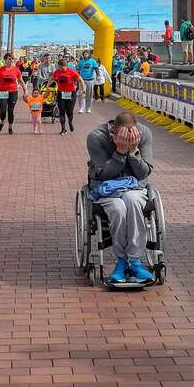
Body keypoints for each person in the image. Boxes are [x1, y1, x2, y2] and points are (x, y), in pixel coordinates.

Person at [86, 111, 155, 284]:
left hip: (134, 187)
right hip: (107, 188)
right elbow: (103, 175)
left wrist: (132, 152)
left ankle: (134, 261)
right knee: (118, 208)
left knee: (132, 201)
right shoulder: (96, 137)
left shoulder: (143, 134)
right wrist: (119, 152)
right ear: (113, 132)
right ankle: (122, 261)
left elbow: (143, 173)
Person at [0, 53, 28, 135]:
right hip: (3, 92)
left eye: (12, 59)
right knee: (3, 110)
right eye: (9, 59)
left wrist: (26, 90)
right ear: (5, 60)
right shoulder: (0, 70)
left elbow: (21, 81)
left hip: (13, 92)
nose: (11, 61)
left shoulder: (16, 70)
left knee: (11, 111)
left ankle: (10, 127)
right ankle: (2, 122)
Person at [52, 57, 86, 135]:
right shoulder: (56, 72)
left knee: (69, 111)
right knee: (62, 111)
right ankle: (63, 129)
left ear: (67, 65)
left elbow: (81, 80)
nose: (64, 69)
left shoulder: (72, 71)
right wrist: (47, 86)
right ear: (59, 66)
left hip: (71, 93)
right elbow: (52, 78)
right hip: (61, 93)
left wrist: (83, 90)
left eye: (65, 66)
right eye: (62, 67)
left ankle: (70, 122)